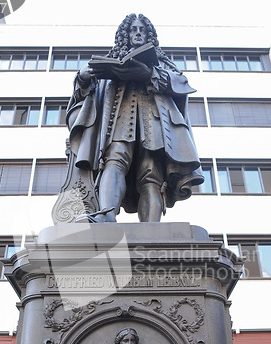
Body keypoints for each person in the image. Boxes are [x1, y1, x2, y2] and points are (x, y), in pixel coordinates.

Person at [67, 13, 204, 223]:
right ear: (126, 34)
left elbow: (181, 83)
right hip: (119, 119)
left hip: (155, 121)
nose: (138, 33)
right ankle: (106, 215)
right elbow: (87, 89)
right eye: (133, 29)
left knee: (151, 173)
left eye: (142, 30)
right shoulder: (112, 58)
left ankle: (152, 228)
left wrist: (149, 74)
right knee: (114, 160)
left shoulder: (161, 62)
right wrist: (83, 77)